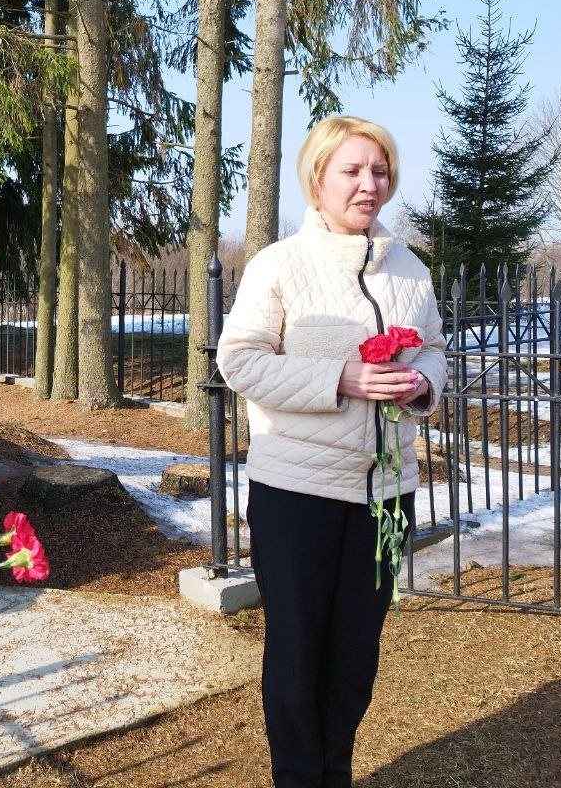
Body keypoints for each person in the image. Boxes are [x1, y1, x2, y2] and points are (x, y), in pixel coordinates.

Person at [216, 116, 448, 788]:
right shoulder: (279, 265)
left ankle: (335, 772)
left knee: (353, 659)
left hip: (385, 497)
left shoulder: (410, 269)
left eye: (379, 171)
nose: (369, 184)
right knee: (297, 659)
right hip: (297, 495)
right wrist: (339, 379)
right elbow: (240, 360)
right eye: (352, 171)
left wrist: (422, 382)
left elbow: (435, 348)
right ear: (317, 180)